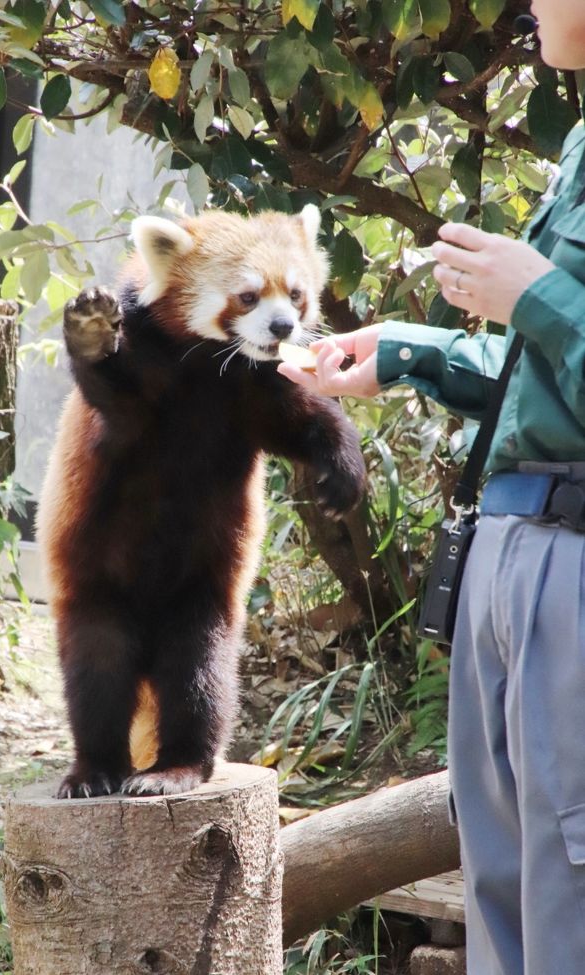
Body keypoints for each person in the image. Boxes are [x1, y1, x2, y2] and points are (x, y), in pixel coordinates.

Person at [277, 2, 585, 973]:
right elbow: (545, 376)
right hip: (507, 553)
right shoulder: (577, 142)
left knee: (566, 893)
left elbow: (551, 319)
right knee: (497, 887)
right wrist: (409, 355)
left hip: (569, 567)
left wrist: (532, 292)